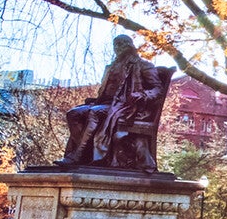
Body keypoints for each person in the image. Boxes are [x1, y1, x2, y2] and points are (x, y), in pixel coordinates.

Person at [59, 34, 159, 167]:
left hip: (125, 106)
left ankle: (77, 156)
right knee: (73, 113)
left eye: (121, 44)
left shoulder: (143, 65)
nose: (118, 48)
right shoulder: (111, 67)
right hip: (104, 104)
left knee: (93, 113)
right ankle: (85, 153)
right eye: (116, 45)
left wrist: (143, 95)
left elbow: (157, 89)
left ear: (129, 45)